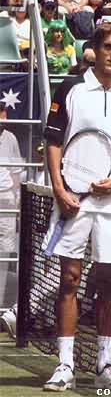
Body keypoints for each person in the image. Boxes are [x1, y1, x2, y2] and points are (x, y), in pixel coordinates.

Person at [42, 21, 111, 391]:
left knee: (109, 282)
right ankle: (65, 365)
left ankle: (106, 364)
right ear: (96, 49)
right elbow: (53, 141)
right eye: (109, 47)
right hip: (72, 199)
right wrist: (59, 188)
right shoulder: (71, 88)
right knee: (69, 280)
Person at [0, 102, 24, 339]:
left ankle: (2, 307)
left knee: (6, 253)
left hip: (6, 199)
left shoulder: (11, 138)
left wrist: (17, 204)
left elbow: (16, 173)